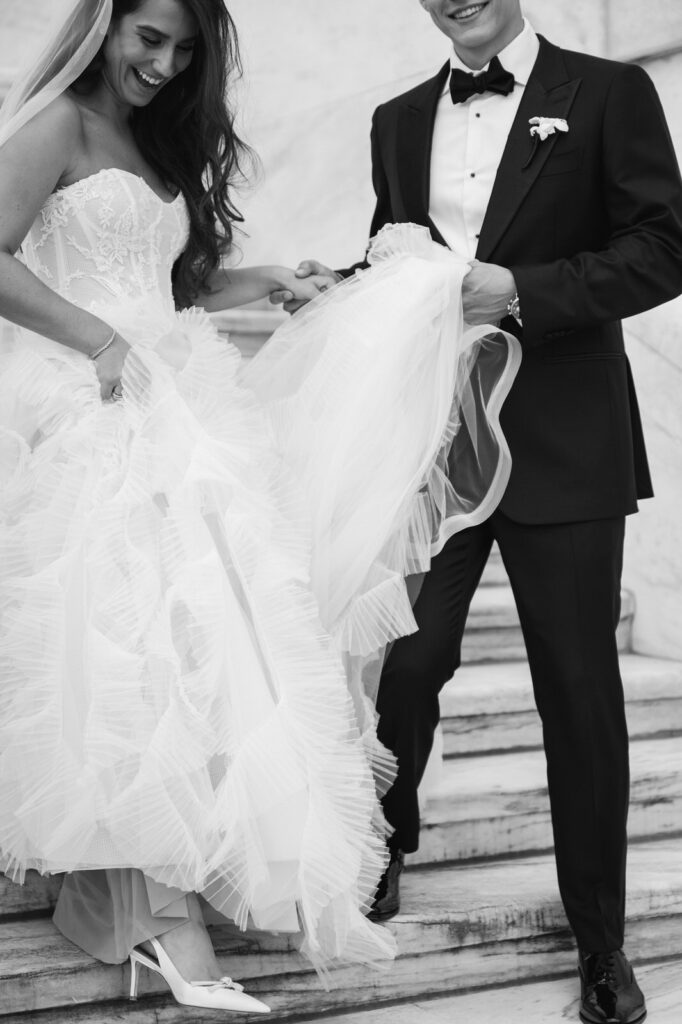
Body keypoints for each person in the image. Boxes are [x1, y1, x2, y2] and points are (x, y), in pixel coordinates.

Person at [0, 0, 521, 1014]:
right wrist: (101, 343)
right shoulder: (58, 120)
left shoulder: (152, 143)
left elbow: (169, 284)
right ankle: (159, 927)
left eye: (185, 50)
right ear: (101, 23)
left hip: (177, 399)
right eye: (147, 37)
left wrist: (271, 278)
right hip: (96, 404)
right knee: (132, 644)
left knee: (200, 643)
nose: (162, 64)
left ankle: (163, 889)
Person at [277, 2, 682, 1022]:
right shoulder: (396, 118)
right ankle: (389, 834)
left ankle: (600, 944)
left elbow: (663, 246)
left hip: (564, 441)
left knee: (579, 696)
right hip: (427, 441)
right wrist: (343, 286)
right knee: (406, 659)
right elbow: (399, 255)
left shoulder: (606, 92)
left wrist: (525, 290)